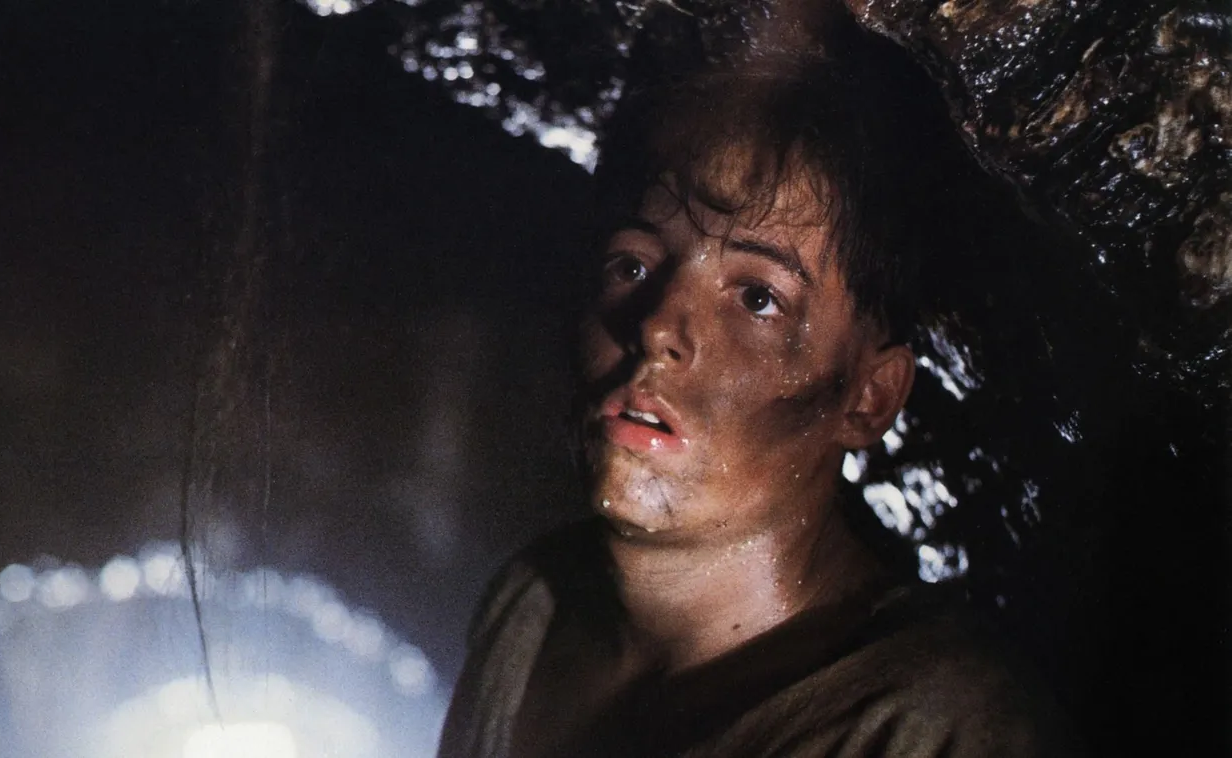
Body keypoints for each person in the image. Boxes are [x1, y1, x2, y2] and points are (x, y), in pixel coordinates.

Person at [438, 11, 1080, 758]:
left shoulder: (933, 733)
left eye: (757, 298)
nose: (658, 327)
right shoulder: (530, 609)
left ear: (869, 397)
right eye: (633, 264)